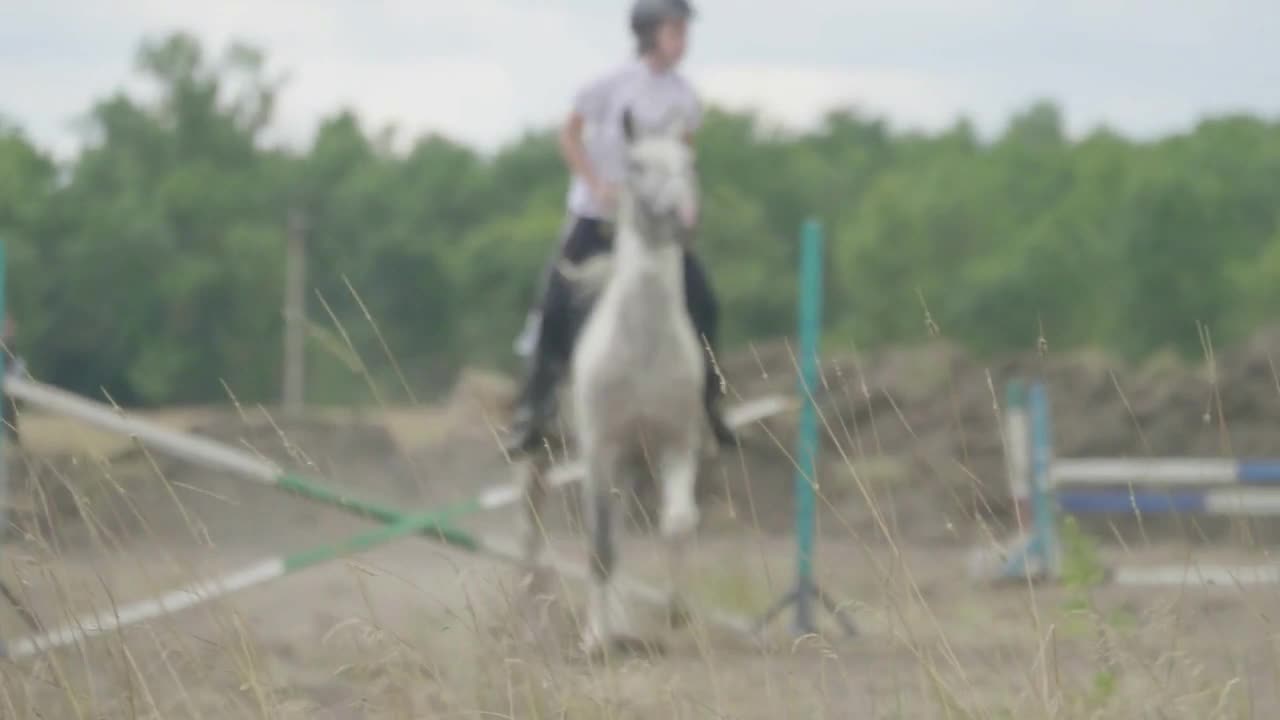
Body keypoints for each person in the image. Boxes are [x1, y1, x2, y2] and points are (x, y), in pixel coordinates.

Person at [504, 0, 736, 456]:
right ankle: (536, 408)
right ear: (649, 32)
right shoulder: (607, 85)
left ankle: (709, 404)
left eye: (684, 30)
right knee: (553, 303)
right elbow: (569, 134)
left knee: (704, 303)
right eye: (675, 29)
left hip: (652, 231)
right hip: (597, 220)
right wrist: (597, 184)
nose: (683, 39)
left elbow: (682, 156)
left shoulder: (685, 96)